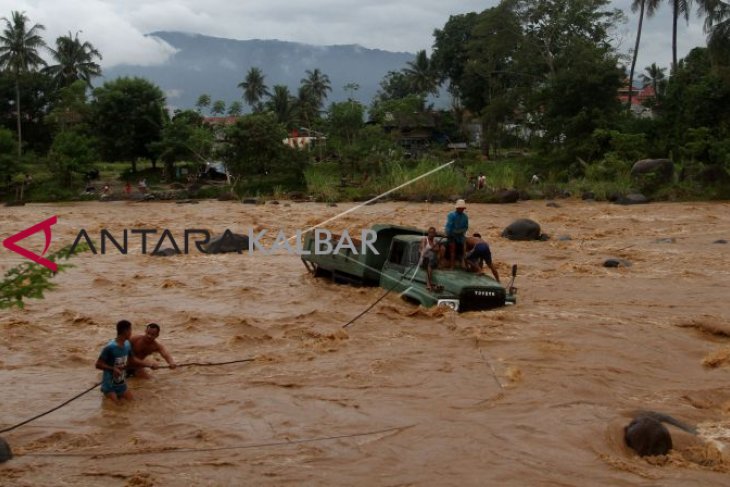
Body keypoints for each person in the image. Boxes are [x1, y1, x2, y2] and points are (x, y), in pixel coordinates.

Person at [95, 320, 157, 403]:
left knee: (132, 404)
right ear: (126, 331)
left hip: (121, 383)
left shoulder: (127, 344)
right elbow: (98, 364)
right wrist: (113, 369)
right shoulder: (110, 347)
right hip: (109, 384)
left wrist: (149, 364)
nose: (131, 332)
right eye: (130, 330)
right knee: (118, 407)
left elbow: (133, 359)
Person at [445, 199, 469, 270]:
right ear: (457, 208)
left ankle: (464, 264)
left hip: (461, 236)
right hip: (452, 235)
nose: (461, 209)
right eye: (460, 208)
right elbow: (448, 227)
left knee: (464, 249)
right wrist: (449, 233)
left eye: (462, 208)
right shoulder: (451, 215)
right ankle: (452, 266)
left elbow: (466, 227)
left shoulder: (465, 217)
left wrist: (460, 232)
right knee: (453, 250)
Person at [419, 227, 442, 291]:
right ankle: (428, 284)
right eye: (430, 232)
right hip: (424, 259)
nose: (431, 234)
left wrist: (432, 249)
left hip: (433, 259)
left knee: (433, 260)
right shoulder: (424, 240)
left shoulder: (435, 241)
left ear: (435, 234)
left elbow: (437, 249)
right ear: (428, 233)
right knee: (429, 265)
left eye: (433, 233)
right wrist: (423, 251)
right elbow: (421, 249)